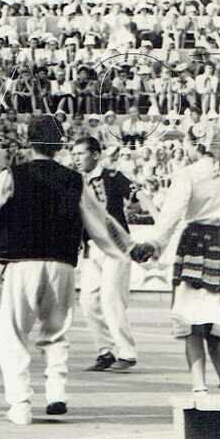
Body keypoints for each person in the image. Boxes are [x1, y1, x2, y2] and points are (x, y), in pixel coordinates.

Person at [0, 115, 135, 425]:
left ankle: (21, 403)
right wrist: (130, 247)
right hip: (62, 265)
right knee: (56, 332)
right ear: (60, 144)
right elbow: (101, 222)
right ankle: (56, 392)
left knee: (13, 335)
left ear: (29, 141)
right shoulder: (75, 180)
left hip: (23, 262)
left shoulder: (14, 175)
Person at [127, 133, 220, 395]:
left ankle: (205, 384)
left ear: (202, 148)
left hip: (196, 242)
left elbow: (171, 217)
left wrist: (154, 245)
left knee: (193, 319)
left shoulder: (189, 174)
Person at [72, 136, 140, 372]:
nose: (76, 159)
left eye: (80, 154)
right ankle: (105, 350)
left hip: (116, 247)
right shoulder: (76, 183)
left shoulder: (113, 177)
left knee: (111, 298)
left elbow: (137, 196)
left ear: (95, 154)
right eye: (74, 154)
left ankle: (127, 353)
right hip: (92, 248)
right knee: (87, 300)